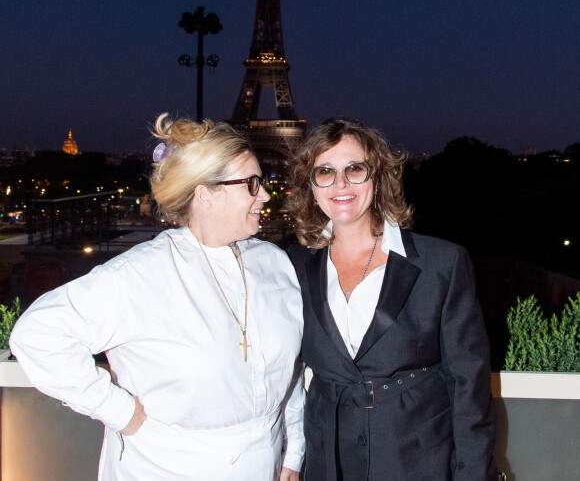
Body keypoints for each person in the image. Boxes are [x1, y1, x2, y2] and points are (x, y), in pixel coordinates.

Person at [10, 114, 304, 481]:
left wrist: (293, 452)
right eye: (252, 183)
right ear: (205, 194)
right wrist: (120, 412)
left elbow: (288, 376)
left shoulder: (275, 264)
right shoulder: (140, 275)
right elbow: (37, 335)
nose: (265, 194)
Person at [286, 118, 498, 481]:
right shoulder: (290, 265)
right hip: (327, 461)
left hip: (417, 459)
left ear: (379, 177)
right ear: (311, 186)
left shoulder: (442, 263)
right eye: (325, 172)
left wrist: (473, 474)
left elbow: (468, 385)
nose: (340, 184)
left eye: (355, 169)